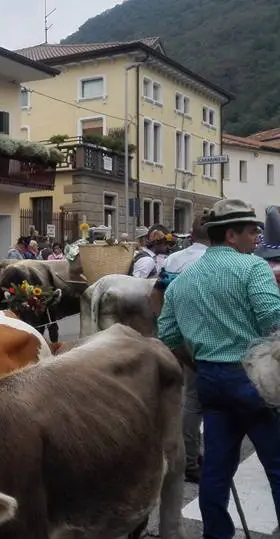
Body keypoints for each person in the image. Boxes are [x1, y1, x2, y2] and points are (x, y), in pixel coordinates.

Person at [158, 198, 280, 539]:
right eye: (252, 231)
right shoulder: (252, 268)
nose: (257, 238)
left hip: (210, 379)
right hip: (253, 380)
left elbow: (167, 333)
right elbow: (274, 319)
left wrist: (196, 362)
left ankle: (216, 535)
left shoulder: (182, 281)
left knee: (215, 470)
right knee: (277, 466)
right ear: (231, 235)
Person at [155, 213, 210, 484]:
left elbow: (157, 295)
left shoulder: (174, 260)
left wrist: (166, 326)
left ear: (191, 232)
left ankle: (186, 455)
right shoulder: (215, 261)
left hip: (178, 333)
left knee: (188, 397)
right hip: (208, 335)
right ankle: (196, 460)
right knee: (201, 399)